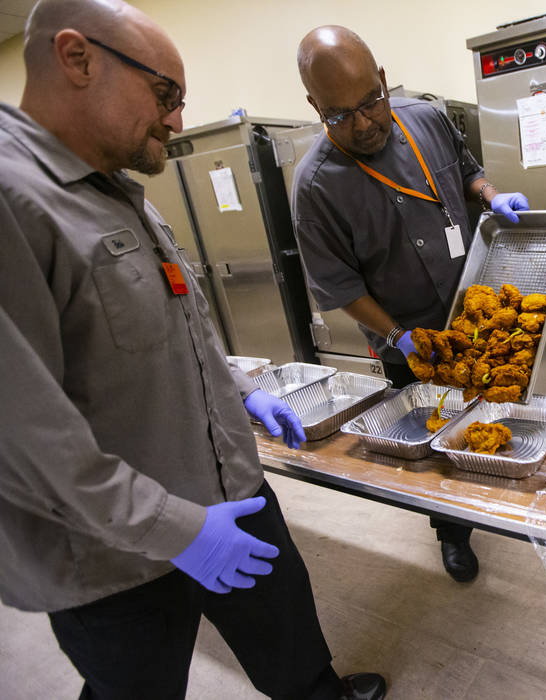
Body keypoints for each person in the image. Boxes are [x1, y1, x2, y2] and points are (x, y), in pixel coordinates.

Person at [0, 2, 385, 699]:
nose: (177, 121)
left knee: (292, 643)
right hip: (112, 551)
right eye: (165, 94)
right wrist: (178, 532)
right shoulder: (13, 197)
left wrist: (245, 393)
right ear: (77, 58)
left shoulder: (119, 193)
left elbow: (182, 326)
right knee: (137, 683)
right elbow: (23, 435)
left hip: (226, 489)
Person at [291, 26, 530, 583]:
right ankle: (451, 531)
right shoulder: (315, 187)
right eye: (339, 115)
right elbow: (337, 285)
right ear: (314, 107)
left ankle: (496, 490)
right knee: (435, 436)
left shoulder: (424, 117)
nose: (363, 123)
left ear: (382, 80)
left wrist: (492, 197)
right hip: (408, 337)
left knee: (496, 409)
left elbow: (468, 170)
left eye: (370, 103)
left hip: (477, 311)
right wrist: (399, 336)